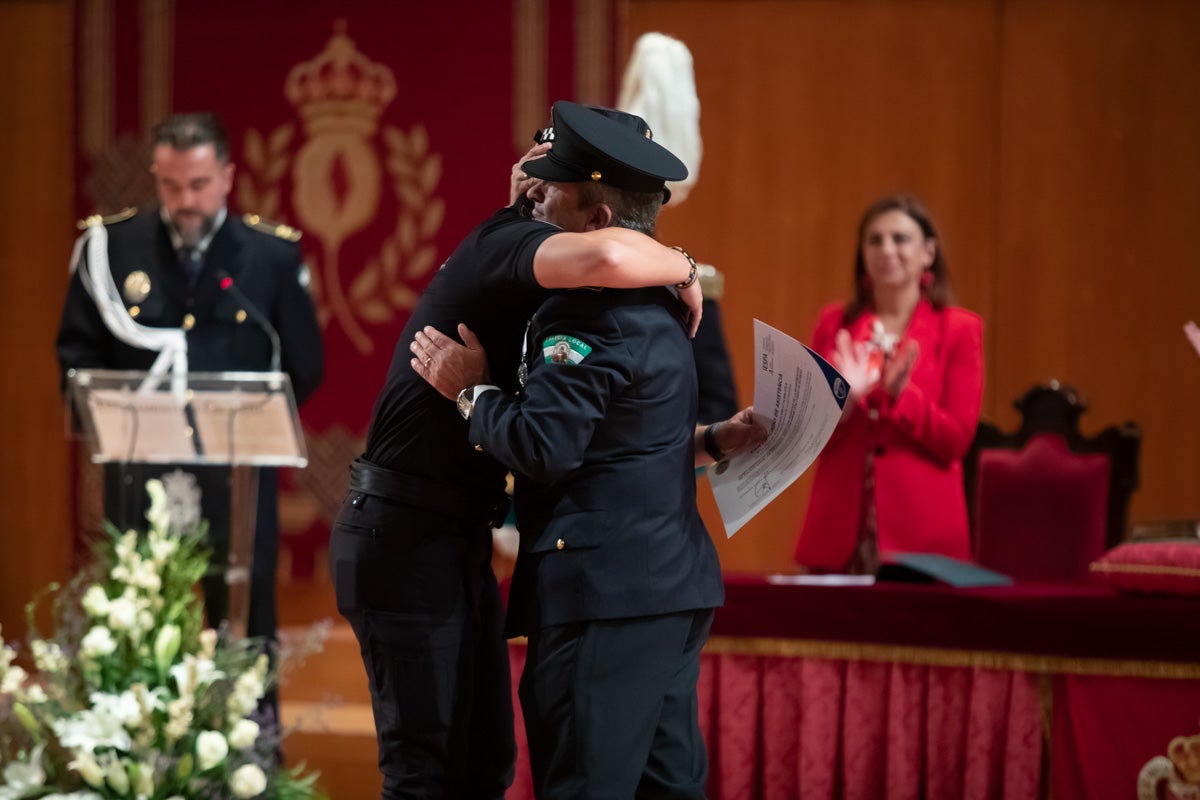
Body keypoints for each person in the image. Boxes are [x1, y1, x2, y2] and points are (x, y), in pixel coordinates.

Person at [329, 103, 709, 799]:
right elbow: (607, 250)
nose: (535, 190)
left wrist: (707, 442)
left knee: (481, 769)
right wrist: (684, 266)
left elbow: (607, 435)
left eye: (549, 177)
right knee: (428, 774)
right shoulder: (510, 242)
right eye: (536, 171)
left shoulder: (594, 301)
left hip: (452, 532)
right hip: (403, 530)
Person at [410, 101, 765, 799]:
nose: (537, 203)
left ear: (598, 222)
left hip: (604, 596)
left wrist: (470, 392)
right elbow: (628, 444)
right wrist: (713, 441)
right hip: (668, 588)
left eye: (553, 193)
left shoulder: (582, 317)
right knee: (667, 788)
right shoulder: (663, 308)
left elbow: (543, 447)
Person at [55, 112, 324, 668]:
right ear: (155, 176)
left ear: (226, 176)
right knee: (139, 624)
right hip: (140, 476)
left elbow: (304, 364)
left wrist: (251, 422)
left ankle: (252, 746)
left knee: (247, 631)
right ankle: (138, 752)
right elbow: (77, 355)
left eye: (199, 184)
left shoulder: (270, 257)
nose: (186, 200)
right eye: (170, 185)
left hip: (238, 477)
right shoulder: (113, 248)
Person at [793, 194, 983, 574]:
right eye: (875, 240)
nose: (887, 250)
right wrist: (844, 402)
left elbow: (957, 441)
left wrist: (902, 397)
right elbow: (804, 440)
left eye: (900, 238)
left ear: (928, 252)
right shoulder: (834, 324)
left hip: (922, 533)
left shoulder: (960, 329)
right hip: (839, 531)